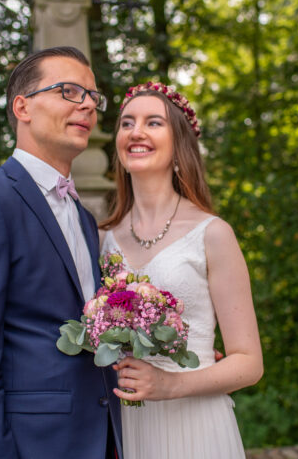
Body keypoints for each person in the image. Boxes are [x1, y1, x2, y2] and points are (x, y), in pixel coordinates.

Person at [0, 46, 122, 459]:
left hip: (101, 439)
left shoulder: (84, 217)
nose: (87, 104)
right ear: (23, 107)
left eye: (92, 96)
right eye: (69, 91)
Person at [99, 82, 264, 458]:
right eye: (127, 123)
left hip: (195, 425)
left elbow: (249, 363)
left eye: (152, 122)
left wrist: (169, 384)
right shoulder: (101, 238)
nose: (136, 132)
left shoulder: (213, 234)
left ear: (179, 146)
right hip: (126, 427)